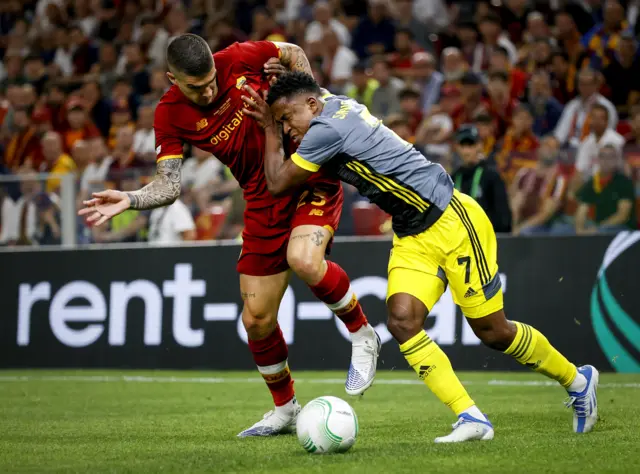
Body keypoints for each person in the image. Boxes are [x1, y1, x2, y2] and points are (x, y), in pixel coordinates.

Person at [241, 70, 600, 442]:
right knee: (401, 320)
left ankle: (577, 379)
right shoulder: (334, 104)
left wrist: (267, 127)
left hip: (451, 220)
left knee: (494, 332)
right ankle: (471, 417)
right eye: (280, 123)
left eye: (287, 119)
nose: (287, 129)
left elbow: (277, 182)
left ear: (312, 105)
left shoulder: (324, 131)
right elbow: (305, 83)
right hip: (412, 231)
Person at [78, 35, 380, 437]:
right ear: (172, 79)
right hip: (260, 198)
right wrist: (130, 199)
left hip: (304, 175)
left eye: (211, 81)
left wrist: (305, 97)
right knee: (256, 320)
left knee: (304, 260)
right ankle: (286, 409)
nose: (208, 90)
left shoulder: (239, 57)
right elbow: (169, 186)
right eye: (196, 86)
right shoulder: (169, 114)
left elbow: (293, 51)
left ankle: (362, 334)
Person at [451, 126, 512, 233]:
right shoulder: (453, 178)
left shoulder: (492, 177)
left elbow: (503, 218)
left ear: (479, 146)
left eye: (470, 145)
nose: (466, 151)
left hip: (485, 238)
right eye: (462, 145)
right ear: (457, 147)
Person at [575, 144, 637, 234]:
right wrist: (579, 229)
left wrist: (598, 229)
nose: (606, 160)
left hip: (621, 229)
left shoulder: (624, 182)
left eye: (610, 157)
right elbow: (582, 209)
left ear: (616, 160)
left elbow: (622, 215)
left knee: (601, 231)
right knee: (563, 229)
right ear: (597, 160)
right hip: (598, 226)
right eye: (602, 156)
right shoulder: (593, 182)